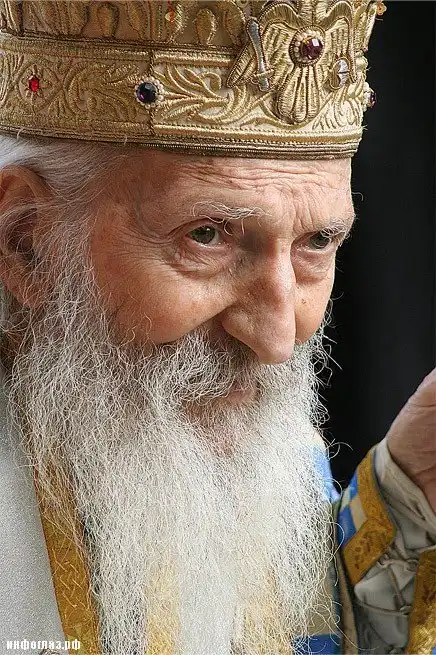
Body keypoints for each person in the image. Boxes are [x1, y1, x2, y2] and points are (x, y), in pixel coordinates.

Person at [0, 1, 434, 654]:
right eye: (207, 235)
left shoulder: (228, 433)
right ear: (26, 242)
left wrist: (408, 509)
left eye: (316, 242)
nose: (278, 339)